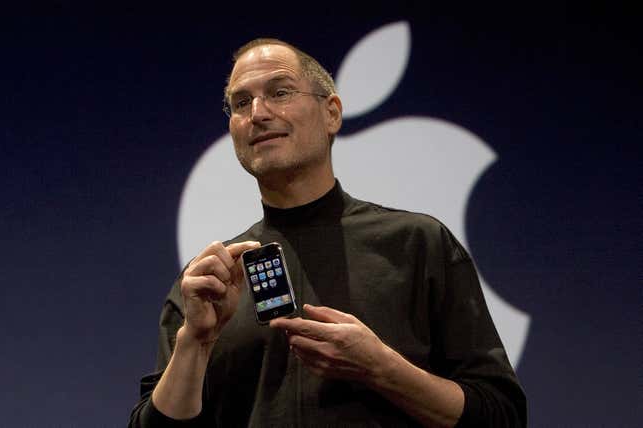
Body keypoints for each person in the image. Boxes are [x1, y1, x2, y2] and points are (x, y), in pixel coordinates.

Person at [129, 38, 526, 428]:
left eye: (280, 92)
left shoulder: (417, 244)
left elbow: (501, 415)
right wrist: (195, 343)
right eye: (240, 102)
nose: (258, 113)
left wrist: (382, 368)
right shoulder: (209, 284)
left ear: (331, 113)